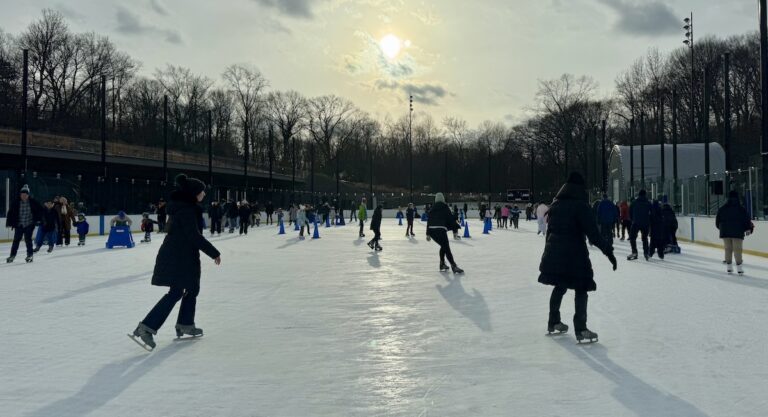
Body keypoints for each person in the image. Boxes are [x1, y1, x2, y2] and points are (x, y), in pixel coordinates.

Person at [131, 174, 221, 351]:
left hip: (181, 255)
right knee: (176, 292)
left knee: (192, 288)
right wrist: (213, 252)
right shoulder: (187, 210)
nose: (204, 194)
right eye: (202, 191)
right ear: (194, 193)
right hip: (178, 256)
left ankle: (185, 324)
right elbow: (193, 236)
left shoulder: (185, 207)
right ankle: (145, 328)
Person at [538, 172, 617, 343]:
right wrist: (608, 252)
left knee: (560, 285)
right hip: (575, 255)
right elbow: (594, 235)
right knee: (582, 287)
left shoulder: (555, 205)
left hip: (555, 254)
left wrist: (548, 254)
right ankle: (580, 329)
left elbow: (549, 233)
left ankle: (553, 321)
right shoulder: (580, 206)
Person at [716, 190, 753, 275]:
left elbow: (717, 222)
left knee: (728, 249)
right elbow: (746, 220)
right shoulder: (741, 209)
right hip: (737, 232)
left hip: (725, 232)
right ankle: (739, 269)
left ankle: (729, 268)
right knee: (737, 250)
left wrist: (722, 228)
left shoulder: (722, 208)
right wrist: (748, 228)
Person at [5, 185, 44, 263]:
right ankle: (12, 255)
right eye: (22, 194)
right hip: (19, 224)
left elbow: (40, 210)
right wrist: (9, 222)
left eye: (25, 194)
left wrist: (39, 220)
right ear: (20, 194)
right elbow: (10, 213)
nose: (24, 196)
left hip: (29, 224)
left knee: (28, 240)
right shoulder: (16, 202)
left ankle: (30, 255)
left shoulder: (33, 202)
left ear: (28, 195)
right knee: (16, 240)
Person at [426, 193, 463, 273]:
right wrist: (455, 231)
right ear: (443, 199)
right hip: (440, 230)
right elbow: (451, 219)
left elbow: (429, 221)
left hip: (432, 231)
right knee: (446, 247)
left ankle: (442, 264)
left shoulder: (432, 208)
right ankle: (453, 266)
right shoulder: (445, 207)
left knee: (444, 246)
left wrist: (428, 234)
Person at [627, 190, 651, 261]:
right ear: (645, 195)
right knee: (645, 238)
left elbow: (630, 212)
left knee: (632, 237)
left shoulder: (634, 202)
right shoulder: (648, 203)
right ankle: (646, 253)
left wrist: (632, 220)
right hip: (645, 223)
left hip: (636, 223)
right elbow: (652, 212)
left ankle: (634, 252)